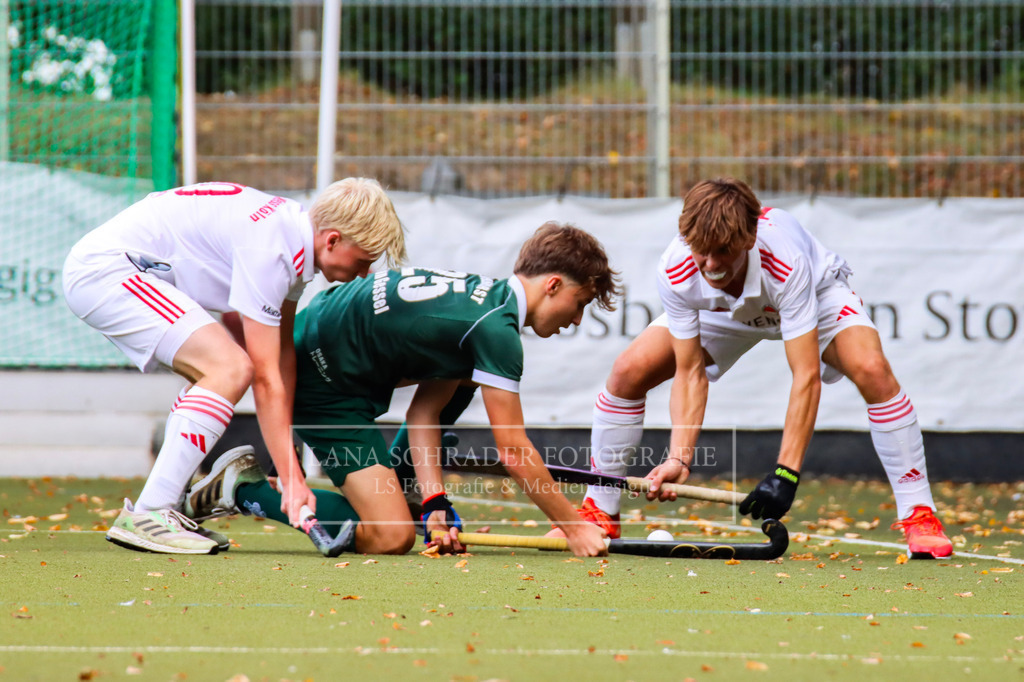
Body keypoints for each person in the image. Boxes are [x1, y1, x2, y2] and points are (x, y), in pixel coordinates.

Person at [184, 222, 621, 557]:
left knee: (464, 385)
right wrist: (574, 527)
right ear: (553, 285)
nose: (576, 319)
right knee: (391, 536)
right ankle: (242, 487)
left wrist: (434, 502)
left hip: (321, 348)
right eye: (580, 303)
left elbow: (425, 412)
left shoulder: (482, 302)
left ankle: (407, 493)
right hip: (321, 385)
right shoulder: (496, 331)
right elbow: (513, 450)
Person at [569, 178, 952, 559]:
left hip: (814, 295)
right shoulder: (678, 266)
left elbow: (805, 376)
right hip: (723, 312)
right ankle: (600, 511)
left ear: (749, 238)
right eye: (702, 251)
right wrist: (678, 458)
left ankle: (919, 514)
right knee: (628, 371)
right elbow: (690, 371)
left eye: (723, 251)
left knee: (872, 368)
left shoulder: (785, 261)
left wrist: (786, 473)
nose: (711, 264)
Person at [62, 179, 406, 554]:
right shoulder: (272, 251)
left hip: (120, 270)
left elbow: (281, 357)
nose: (364, 273)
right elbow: (265, 377)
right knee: (229, 368)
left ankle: (164, 507)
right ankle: (150, 513)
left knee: (222, 370)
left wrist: (286, 457)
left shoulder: (291, 239)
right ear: (333, 240)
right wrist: (292, 480)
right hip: (107, 271)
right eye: (363, 261)